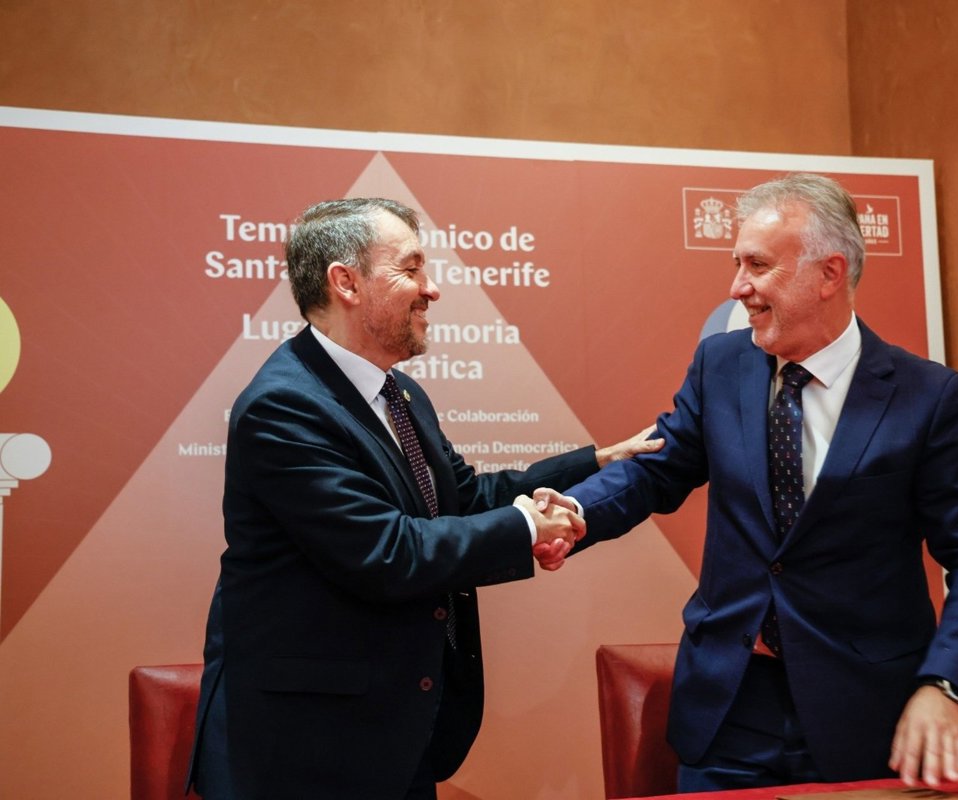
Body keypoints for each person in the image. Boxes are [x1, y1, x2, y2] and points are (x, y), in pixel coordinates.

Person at [535, 173, 958, 791]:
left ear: (829, 273)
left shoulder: (927, 398)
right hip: (728, 709)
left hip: (865, 717)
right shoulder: (721, 366)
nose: (738, 287)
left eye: (758, 266)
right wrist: (575, 512)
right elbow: (657, 468)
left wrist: (947, 685)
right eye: (738, 264)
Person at [186, 197, 659, 800]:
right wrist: (525, 527)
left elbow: (460, 498)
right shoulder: (285, 405)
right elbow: (385, 552)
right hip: (306, 748)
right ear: (345, 283)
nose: (431, 289)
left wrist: (591, 464)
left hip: (391, 732)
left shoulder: (399, 393)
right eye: (410, 269)